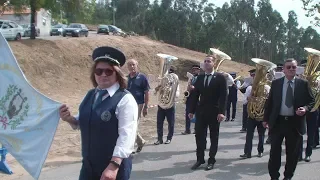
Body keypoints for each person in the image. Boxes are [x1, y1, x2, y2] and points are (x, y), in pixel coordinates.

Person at [59, 46, 138, 180]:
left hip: (113, 167)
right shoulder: (91, 94)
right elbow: (85, 120)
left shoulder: (125, 99)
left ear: (117, 73)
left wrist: (113, 167)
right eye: (99, 71)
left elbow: (127, 136)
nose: (103, 75)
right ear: (94, 73)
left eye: (108, 71)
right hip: (89, 165)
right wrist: (70, 119)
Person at [263, 58, 315, 180]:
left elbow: (312, 100)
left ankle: (288, 177)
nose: (291, 69)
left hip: (294, 123)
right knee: (274, 152)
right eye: (289, 67)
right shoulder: (276, 83)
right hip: (278, 122)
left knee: (292, 154)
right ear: (284, 70)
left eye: (294, 67)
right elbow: (269, 103)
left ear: (296, 69)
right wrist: (265, 119)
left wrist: (305, 109)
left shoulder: (303, 84)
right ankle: (274, 176)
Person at [188, 54, 228, 171]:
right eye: (205, 61)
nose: (206, 63)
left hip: (215, 112)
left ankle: (211, 160)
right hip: (201, 112)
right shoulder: (200, 78)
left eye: (209, 61)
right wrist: (191, 110)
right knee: (199, 136)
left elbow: (223, 96)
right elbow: (195, 95)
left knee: (214, 137)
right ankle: (200, 159)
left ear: (213, 64)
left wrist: (221, 112)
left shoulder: (220, 78)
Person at [240, 73, 270, 158]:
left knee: (261, 135)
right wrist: (249, 98)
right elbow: (245, 101)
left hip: (262, 115)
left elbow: (270, 101)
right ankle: (247, 152)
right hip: (252, 115)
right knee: (249, 135)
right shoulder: (250, 88)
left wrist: (263, 100)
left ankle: (260, 151)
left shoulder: (267, 88)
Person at [126, 59, 150, 153]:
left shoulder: (142, 77)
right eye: (130, 65)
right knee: (129, 125)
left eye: (133, 65)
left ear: (137, 65)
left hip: (138, 105)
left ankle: (130, 147)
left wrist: (146, 106)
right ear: (127, 67)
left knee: (133, 125)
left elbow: (147, 92)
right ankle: (141, 142)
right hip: (127, 105)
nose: (132, 67)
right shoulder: (126, 78)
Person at [154, 65, 180, 145]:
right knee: (159, 122)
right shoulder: (164, 80)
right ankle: (159, 139)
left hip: (170, 105)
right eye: (169, 70)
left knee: (170, 123)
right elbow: (158, 90)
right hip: (161, 105)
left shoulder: (175, 81)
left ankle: (169, 138)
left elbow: (177, 93)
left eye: (171, 70)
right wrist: (159, 88)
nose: (169, 72)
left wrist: (170, 92)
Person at [266, 63, 284, 144]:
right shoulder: (271, 75)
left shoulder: (285, 75)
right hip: (275, 99)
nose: (279, 70)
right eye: (278, 69)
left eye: (280, 69)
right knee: (272, 119)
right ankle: (270, 136)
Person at [182, 64, 201, 135]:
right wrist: (187, 90)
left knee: (197, 114)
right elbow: (188, 87)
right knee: (187, 113)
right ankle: (187, 129)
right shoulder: (190, 78)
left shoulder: (200, 78)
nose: (194, 70)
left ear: (199, 70)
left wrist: (194, 88)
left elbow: (201, 88)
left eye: (195, 69)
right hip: (190, 97)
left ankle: (196, 129)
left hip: (197, 98)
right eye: (193, 69)